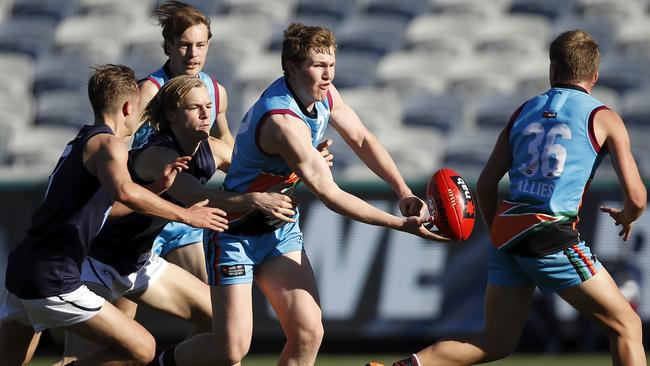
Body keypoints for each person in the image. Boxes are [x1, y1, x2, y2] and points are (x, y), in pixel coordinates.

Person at [147, 23, 448, 366]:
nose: (327, 75)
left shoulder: (323, 94)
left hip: (279, 227)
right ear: (290, 68)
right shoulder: (281, 121)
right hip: (236, 233)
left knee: (308, 331)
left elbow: (361, 138)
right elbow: (329, 193)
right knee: (230, 350)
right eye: (318, 66)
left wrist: (403, 190)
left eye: (331, 65)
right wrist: (398, 223)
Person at [383, 29, 647, 366]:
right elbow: (637, 198)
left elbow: (487, 183)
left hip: (507, 234)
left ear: (552, 70)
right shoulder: (604, 117)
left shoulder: (525, 110)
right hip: (551, 234)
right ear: (595, 75)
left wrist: (497, 232)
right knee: (627, 325)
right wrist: (627, 215)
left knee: (495, 341)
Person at [57, 75, 300, 365]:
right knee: (81, 358)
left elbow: (258, 179)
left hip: (141, 263)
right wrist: (255, 200)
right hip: (95, 263)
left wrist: (304, 165)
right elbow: (196, 197)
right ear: (171, 114)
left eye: (209, 106)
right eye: (195, 107)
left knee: (224, 328)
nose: (206, 113)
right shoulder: (158, 155)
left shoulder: (213, 148)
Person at [0, 64, 228, 366]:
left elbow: (111, 208)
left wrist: (158, 187)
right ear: (128, 106)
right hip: (54, 276)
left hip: (27, 266)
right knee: (142, 349)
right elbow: (125, 192)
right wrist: (187, 216)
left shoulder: (83, 140)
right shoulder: (109, 144)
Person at [133, 0, 234, 286]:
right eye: (184, 45)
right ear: (167, 46)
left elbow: (224, 138)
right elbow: (119, 143)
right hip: (145, 213)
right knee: (120, 318)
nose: (193, 54)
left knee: (213, 310)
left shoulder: (214, 91)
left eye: (200, 45)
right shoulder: (150, 90)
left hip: (185, 216)